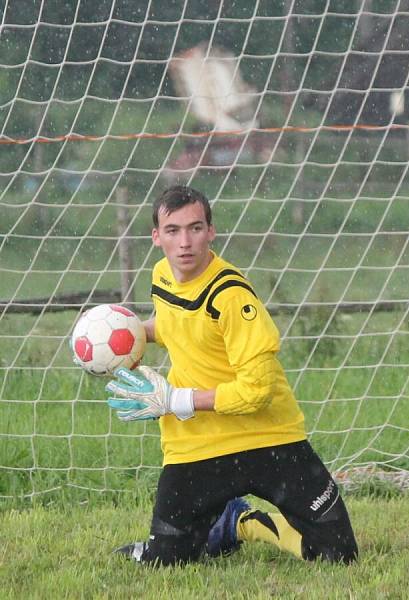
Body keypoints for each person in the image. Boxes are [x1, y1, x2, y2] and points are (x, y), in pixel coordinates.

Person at [106, 185, 358, 566]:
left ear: (211, 231)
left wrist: (174, 400)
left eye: (195, 228)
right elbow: (176, 325)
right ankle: (230, 523)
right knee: (165, 560)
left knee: (338, 554)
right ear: (156, 237)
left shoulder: (231, 295)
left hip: (270, 438)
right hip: (198, 444)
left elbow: (256, 391)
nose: (185, 242)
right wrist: (128, 337)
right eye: (173, 230)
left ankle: (248, 523)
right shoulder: (162, 276)